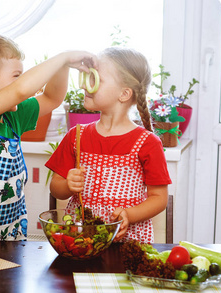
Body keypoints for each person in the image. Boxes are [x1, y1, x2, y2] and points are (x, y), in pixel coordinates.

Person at [0, 32, 97, 241]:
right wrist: (62, 56)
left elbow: (53, 98)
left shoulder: (12, 116)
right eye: (16, 75)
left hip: (10, 242)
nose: (22, 82)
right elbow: (20, 91)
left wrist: (64, 66)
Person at [46, 47, 171, 243]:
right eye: (88, 78)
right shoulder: (76, 136)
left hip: (127, 243)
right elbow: (56, 188)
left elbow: (159, 198)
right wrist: (68, 185)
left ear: (124, 94)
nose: (86, 85)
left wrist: (130, 214)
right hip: (81, 240)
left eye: (96, 79)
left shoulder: (147, 143)